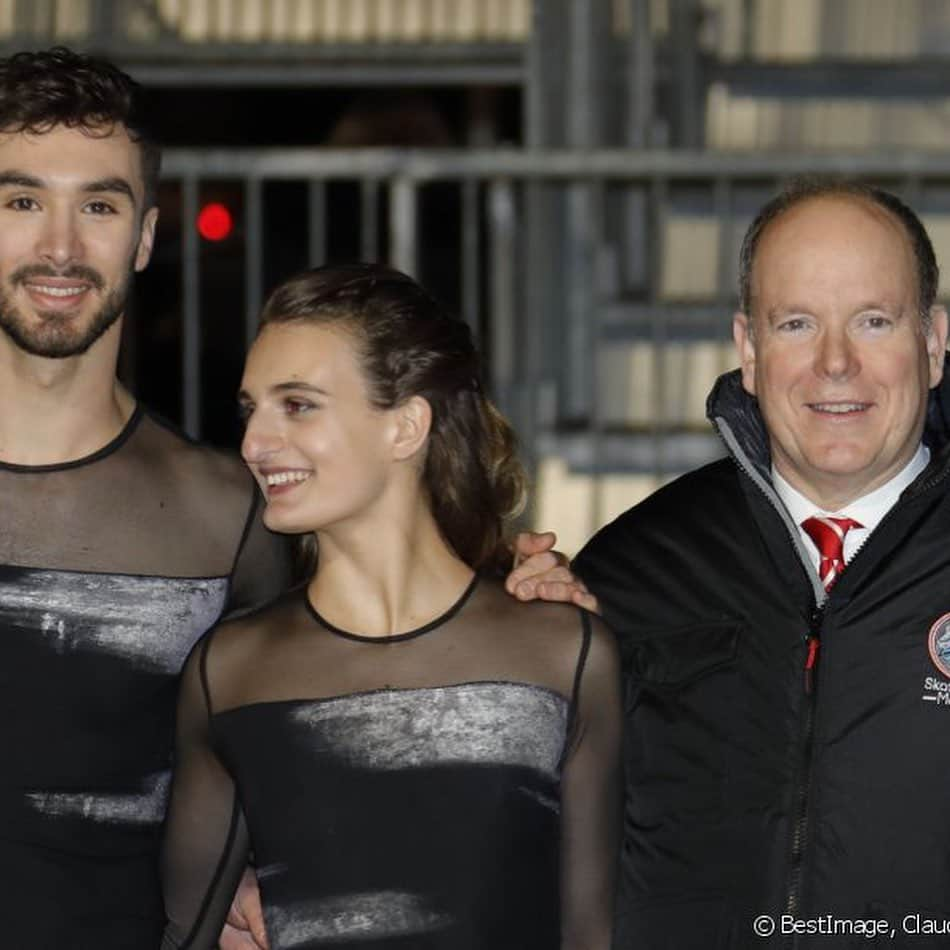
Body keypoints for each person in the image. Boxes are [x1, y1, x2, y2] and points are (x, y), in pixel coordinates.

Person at [508, 178, 950, 948]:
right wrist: (520, 656)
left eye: (874, 321)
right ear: (748, 349)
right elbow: (523, 830)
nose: (835, 363)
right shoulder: (635, 566)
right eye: (797, 324)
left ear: (935, 342)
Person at [160, 262, 622, 949]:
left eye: (298, 404)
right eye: (250, 409)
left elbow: (595, 935)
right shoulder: (230, 670)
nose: (255, 443)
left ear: (405, 428)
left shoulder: (562, 653)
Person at [0, 47, 292, 948]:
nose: (60, 247)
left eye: (98, 205)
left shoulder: (228, 518)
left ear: (147, 235)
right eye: (20, 202)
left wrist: (527, 595)